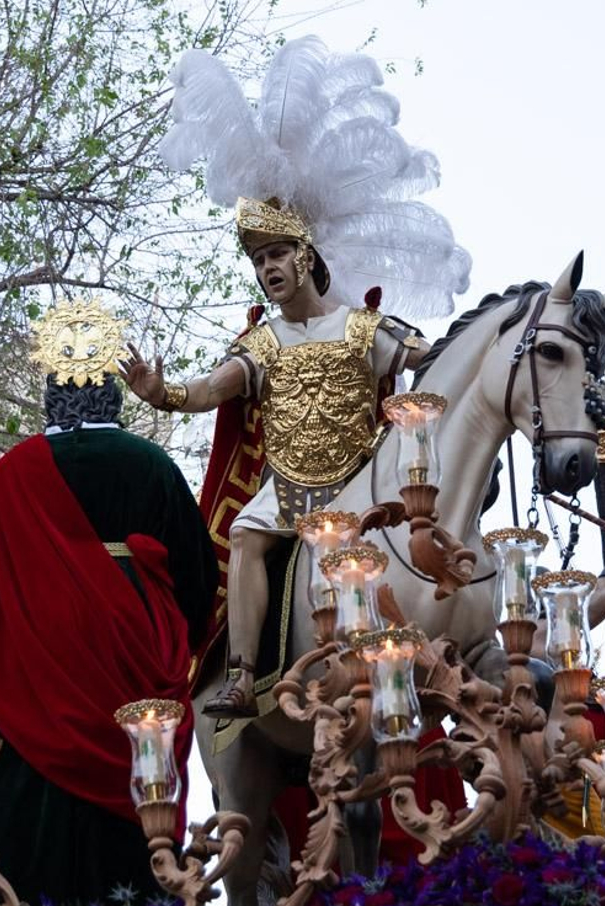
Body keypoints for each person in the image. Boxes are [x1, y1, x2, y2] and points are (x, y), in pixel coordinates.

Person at [0, 305, 216, 906]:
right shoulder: (150, 464)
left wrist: (0, 624)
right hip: (132, 651)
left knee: (31, 782)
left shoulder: (15, 471)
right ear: (113, 394)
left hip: (36, 653)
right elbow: (197, 576)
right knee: (139, 784)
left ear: (51, 394)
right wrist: (173, 629)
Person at [120, 196, 426, 718]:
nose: (268, 268)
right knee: (244, 531)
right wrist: (162, 393)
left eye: (278, 254)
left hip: (358, 481)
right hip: (286, 486)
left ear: (306, 256)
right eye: (260, 261)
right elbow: (211, 390)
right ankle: (241, 676)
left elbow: (432, 359)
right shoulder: (264, 343)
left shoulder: (364, 327)